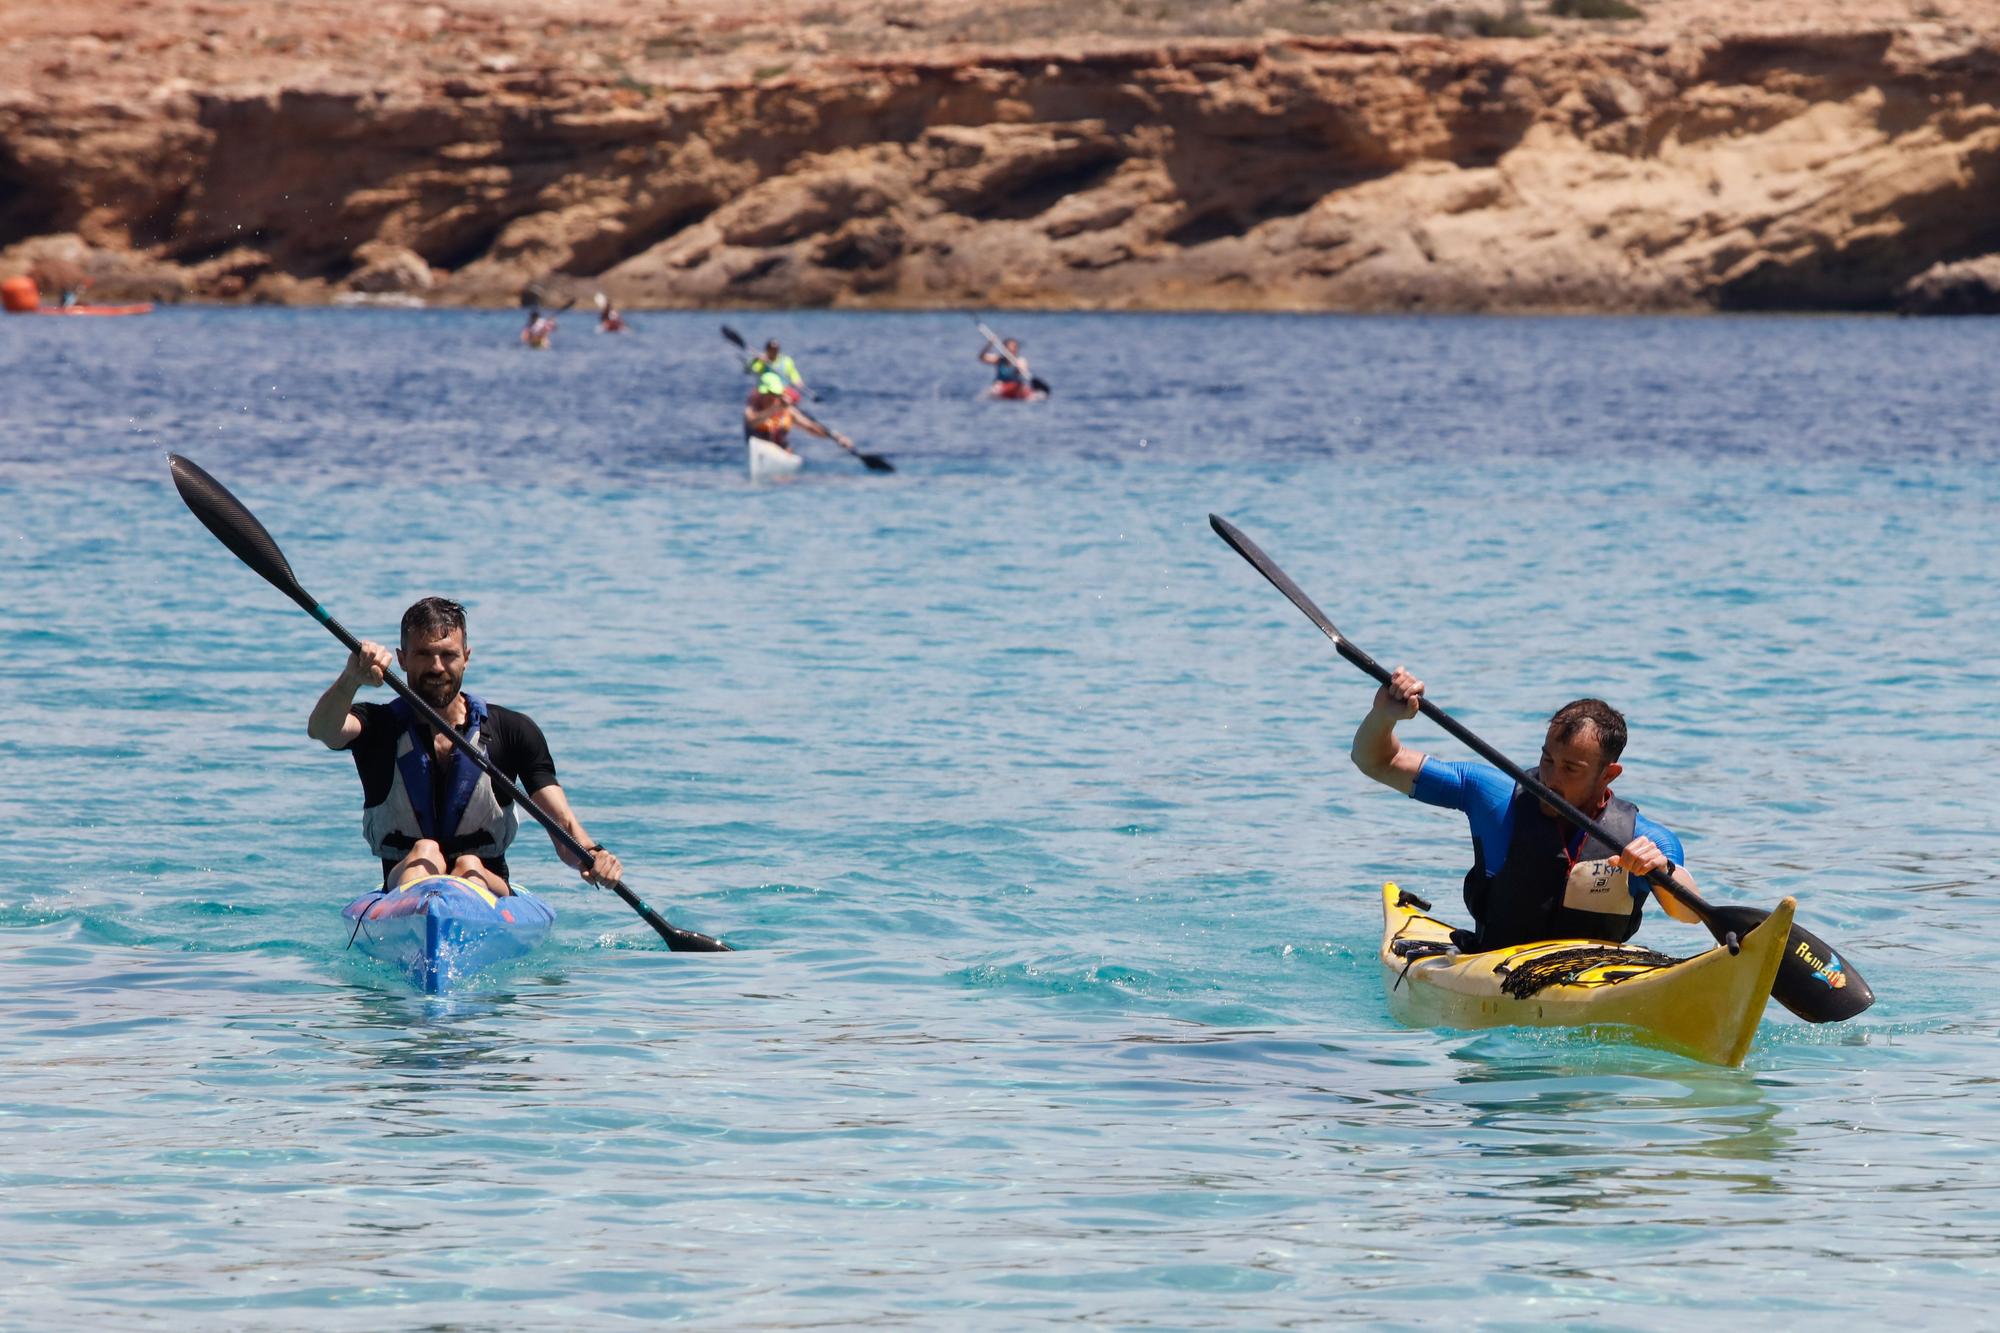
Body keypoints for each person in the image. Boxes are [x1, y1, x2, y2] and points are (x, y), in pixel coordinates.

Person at [1351, 667, 1703, 950]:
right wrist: (1384, 715)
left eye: (1570, 769)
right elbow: (1379, 761)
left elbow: (1689, 914)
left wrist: (1662, 869)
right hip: (1491, 968)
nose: (1550, 778)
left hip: (1595, 978)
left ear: (1608, 775)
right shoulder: (1494, 794)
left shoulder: (1643, 839)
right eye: (1547, 759)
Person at [307, 596, 620, 897]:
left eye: (448, 655)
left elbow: (563, 826)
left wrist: (592, 856)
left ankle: (466, 879)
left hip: (486, 887)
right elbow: (323, 730)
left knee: (469, 865)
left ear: (466, 658)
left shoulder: (512, 731)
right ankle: (427, 903)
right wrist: (352, 678)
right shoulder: (377, 725)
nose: (437, 667)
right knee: (424, 852)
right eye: (424, 654)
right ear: (402, 659)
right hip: (404, 884)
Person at [744, 371, 847, 454]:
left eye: (772, 393)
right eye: (765, 393)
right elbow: (751, 423)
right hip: (758, 449)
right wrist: (774, 409)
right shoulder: (752, 408)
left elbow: (810, 427)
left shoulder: (788, 411)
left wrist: (835, 437)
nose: (769, 396)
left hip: (781, 452)